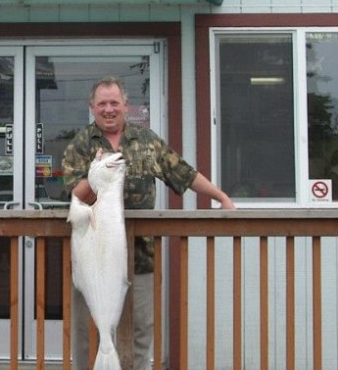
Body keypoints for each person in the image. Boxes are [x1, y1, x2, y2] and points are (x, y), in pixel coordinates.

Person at [62, 75, 235, 370]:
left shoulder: (147, 140)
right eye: (102, 103)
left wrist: (221, 197)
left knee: (141, 330)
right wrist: (95, 177)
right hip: (93, 256)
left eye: (114, 103)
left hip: (140, 255)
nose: (108, 109)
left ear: (126, 106)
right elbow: (73, 195)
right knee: (86, 333)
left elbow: (184, 173)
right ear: (92, 107)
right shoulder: (80, 144)